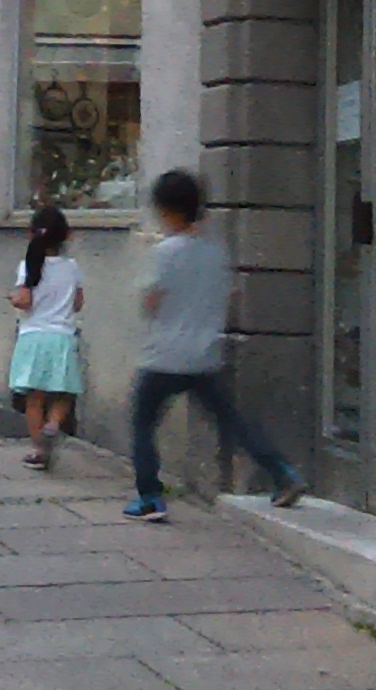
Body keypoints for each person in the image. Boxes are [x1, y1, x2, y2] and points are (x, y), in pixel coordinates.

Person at [126, 168, 305, 522]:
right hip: (205, 354)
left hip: (164, 356)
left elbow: (150, 302)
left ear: (168, 211)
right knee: (232, 420)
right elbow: (228, 294)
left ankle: (150, 497)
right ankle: (282, 472)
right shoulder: (216, 252)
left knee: (143, 424)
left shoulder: (164, 252)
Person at [8, 205, 82, 469]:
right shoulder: (72, 267)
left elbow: (24, 301)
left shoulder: (27, 266)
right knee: (63, 393)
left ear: (31, 234)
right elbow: (78, 303)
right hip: (63, 337)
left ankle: (38, 450)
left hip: (33, 337)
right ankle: (53, 425)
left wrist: (13, 298)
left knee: (34, 399)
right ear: (66, 236)